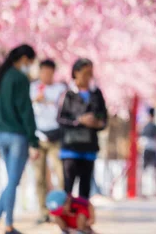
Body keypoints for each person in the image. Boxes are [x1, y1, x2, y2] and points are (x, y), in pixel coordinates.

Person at [0, 44, 41, 234]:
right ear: (25, 59)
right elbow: (26, 111)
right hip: (18, 136)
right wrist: (34, 140)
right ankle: (5, 224)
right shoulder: (19, 78)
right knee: (12, 182)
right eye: (31, 62)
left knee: (11, 181)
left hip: (1, 135)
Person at [57, 58, 108, 200]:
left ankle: (82, 218)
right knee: (67, 186)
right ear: (76, 73)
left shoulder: (96, 94)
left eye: (90, 73)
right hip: (70, 147)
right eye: (85, 73)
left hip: (89, 146)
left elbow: (104, 118)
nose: (88, 76)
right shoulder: (67, 94)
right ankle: (66, 218)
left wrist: (97, 123)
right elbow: (60, 119)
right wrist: (79, 121)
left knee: (85, 188)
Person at [30, 59, 67, 224]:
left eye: (49, 72)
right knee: (39, 177)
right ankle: (43, 211)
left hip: (56, 137)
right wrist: (36, 100)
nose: (46, 75)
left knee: (61, 174)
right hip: (38, 137)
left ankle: (62, 209)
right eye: (43, 71)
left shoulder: (60, 89)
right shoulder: (32, 88)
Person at [140, 107, 156, 197]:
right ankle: (151, 190)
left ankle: (146, 190)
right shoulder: (153, 126)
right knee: (152, 170)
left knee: (148, 170)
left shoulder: (145, 126)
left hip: (148, 149)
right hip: (151, 149)